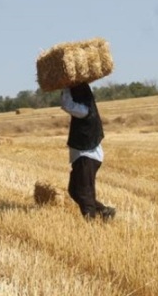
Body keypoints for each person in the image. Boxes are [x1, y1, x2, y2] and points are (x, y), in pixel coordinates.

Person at [60, 82, 116, 221]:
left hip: (87, 157)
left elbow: (66, 105)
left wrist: (65, 85)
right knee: (74, 191)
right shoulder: (86, 105)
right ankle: (104, 211)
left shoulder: (84, 109)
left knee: (84, 193)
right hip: (83, 156)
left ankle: (90, 223)